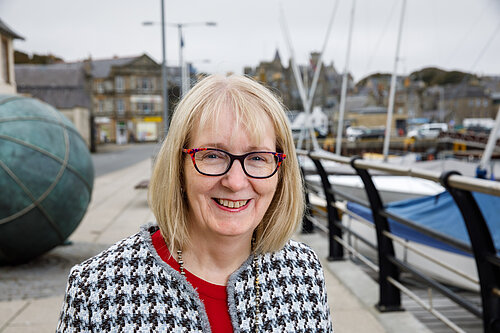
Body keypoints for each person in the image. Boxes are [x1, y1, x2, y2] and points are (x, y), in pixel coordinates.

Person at [57, 74, 333, 332]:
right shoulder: (98, 288)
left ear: (281, 169)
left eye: (257, 158)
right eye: (212, 155)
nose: (235, 182)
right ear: (179, 166)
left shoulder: (302, 271)